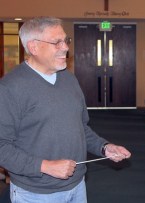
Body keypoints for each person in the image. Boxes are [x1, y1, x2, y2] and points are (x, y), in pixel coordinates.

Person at [0, 16, 131, 203]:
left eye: (66, 40)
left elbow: (81, 128)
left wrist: (104, 147)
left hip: (77, 186)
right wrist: (44, 166)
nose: (66, 47)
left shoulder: (69, 79)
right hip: (36, 193)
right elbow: (2, 147)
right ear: (33, 47)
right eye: (57, 42)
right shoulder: (10, 88)